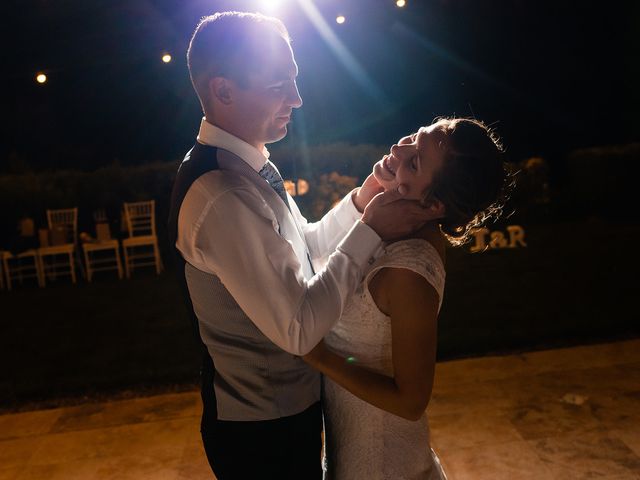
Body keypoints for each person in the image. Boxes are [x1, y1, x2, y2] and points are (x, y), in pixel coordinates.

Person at [167, 11, 436, 480]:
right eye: (278, 85)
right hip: (261, 431)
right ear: (223, 90)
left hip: (281, 416)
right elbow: (297, 328)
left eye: (294, 80)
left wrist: (362, 201)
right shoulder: (223, 192)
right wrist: (370, 229)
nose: (297, 98)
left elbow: (305, 251)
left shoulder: (243, 170)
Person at [303, 117, 508, 479]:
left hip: (386, 466)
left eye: (414, 162)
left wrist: (316, 355)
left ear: (434, 206)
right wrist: (367, 197)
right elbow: (317, 255)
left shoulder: (408, 270)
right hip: (351, 457)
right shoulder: (385, 227)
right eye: (415, 138)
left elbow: (411, 401)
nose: (398, 149)